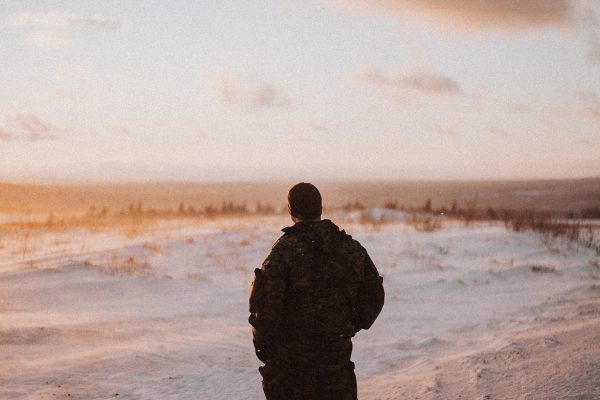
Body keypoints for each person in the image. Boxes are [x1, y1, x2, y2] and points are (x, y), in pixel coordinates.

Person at [249, 182, 385, 400]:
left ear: (291, 210)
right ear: (319, 208)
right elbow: (374, 294)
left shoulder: (283, 253)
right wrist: (347, 327)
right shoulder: (349, 248)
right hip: (336, 369)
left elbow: (265, 310)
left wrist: (265, 348)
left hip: (290, 372)